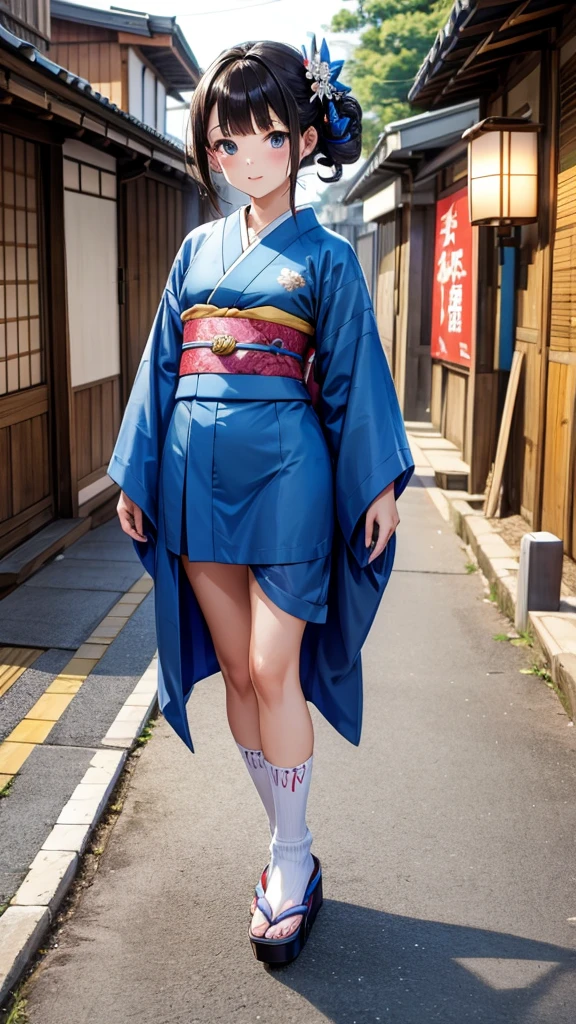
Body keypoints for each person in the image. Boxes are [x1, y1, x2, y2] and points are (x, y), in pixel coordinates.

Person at [108, 36, 414, 966]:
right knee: (240, 672)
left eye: (266, 136)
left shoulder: (325, 258)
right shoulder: (196, 251)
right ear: (211, 150)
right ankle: (286, 843)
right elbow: (164, 365)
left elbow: (354, 377)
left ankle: (291, 854)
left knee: (276, 668)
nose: (244, 157)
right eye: (226, 142)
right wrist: (135, 467)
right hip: (194, 481)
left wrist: (378, 485)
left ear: (305, 140)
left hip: (287, 477)